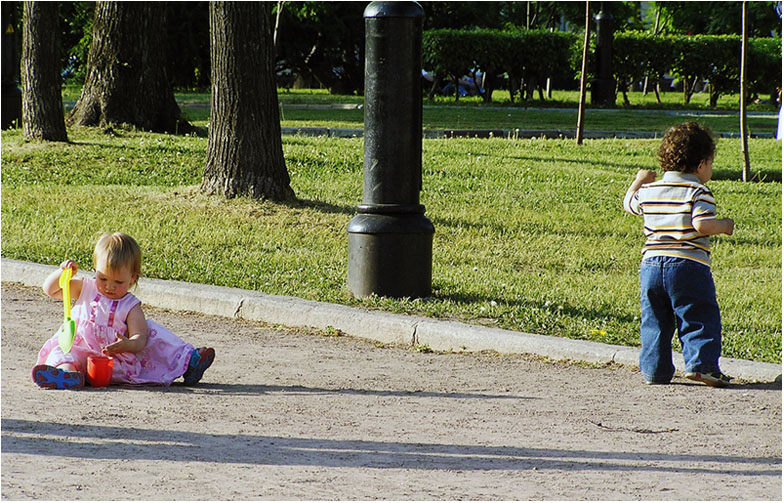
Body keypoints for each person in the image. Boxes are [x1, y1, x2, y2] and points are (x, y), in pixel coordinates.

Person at [623, 122, 734, 387]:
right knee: (698, 314)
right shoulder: (699, 191)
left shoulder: (649, 191)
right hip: (688, 265)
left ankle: (654, 371)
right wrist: (724, 225)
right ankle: (702, 366)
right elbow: (701, 224)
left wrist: (639, 180)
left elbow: (629, 204)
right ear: (701, 165)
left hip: (651, 265)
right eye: (711, 163)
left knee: (655, 319)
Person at [32, 232, 215, 389]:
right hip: (81, 349)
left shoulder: (130, 306)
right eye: (103, 278)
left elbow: (140, 338)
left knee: (153, 332)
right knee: (62, 353)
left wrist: (127, 345)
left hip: (113, 360)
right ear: (95, 270)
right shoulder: (85, 288)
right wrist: (63, 273)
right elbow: (50, 290)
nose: (109, 287)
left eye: (118, 282)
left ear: (132, 278)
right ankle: (66, 375)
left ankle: (189, 361)